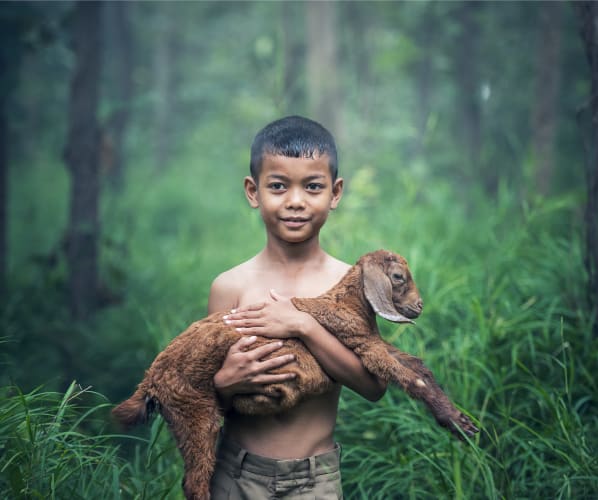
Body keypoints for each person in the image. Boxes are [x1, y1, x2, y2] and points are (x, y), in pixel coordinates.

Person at [208, 116, 386, 499]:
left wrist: (304, 325)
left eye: (312, 186)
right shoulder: (231, 286)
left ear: (335, 193)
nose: (295, 201)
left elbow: (374, 385)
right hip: (234, 474)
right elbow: (202, 399)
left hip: (315, 481)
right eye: (277, 186)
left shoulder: (350, 285)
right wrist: (225, 384)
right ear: (253, 191)